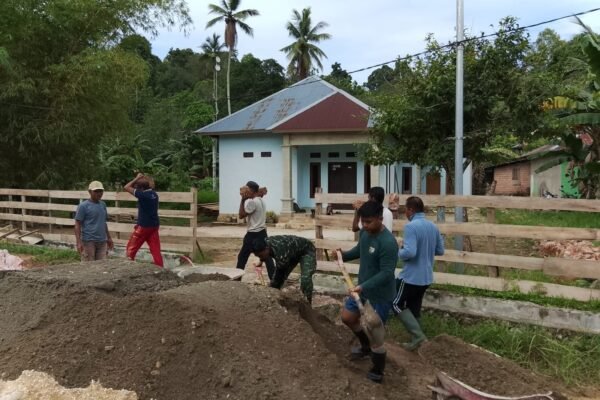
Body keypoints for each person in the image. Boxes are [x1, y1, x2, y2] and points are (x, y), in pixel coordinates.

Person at [337, 201, 398, 383]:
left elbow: (387, 273)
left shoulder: (388, 243)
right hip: (362, 290)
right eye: (363, 221)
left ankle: (378, 370)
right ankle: (365, 347)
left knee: (375, 334)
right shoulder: (365, 232)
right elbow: (360, 250)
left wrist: (363, 286)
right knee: (347, 317)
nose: (364, 225)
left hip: (380, 295)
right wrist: (344, 255)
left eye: (369, 222)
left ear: (380, 218)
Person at [393, 196, 444, 351]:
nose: (405, 214)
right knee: (414, 307)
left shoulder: (411, 227)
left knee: (394, 303)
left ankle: (418, 336)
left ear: (410, 210)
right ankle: (422, 344)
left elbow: (410, 252)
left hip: (411, 277)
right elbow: (440, 250)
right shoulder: (433, 226)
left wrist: (398, 249)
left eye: (406, 210)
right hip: (426, 277)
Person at [251, 235, 316, 303]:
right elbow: (263, 254)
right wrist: (261, 260)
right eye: (258, 256)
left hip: (306, 250)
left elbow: (280, 273)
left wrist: (273, 287)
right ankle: (273, 302)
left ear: (267, 248)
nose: (260, 257)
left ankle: (307, 303)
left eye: (260, 255)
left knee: (305, 278)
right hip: (291, 253)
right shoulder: (264, 243)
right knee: (275, 283)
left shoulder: (280, 252)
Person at [123, 173, 163, 267]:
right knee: (155, 250)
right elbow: (151, 184)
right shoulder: (154, 194)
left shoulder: (142, 195)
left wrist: (136, 178)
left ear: (140, 188)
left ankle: (128, 267)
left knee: (131, 248)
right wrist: (144, 178)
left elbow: (126, 187)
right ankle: (160, 268)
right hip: (154, 226)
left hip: (144, 226)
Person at [74, 181, 113, 261]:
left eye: (101, 191)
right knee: (89, 265)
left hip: (102, 241)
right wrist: (78, 242)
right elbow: (78, 224)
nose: (99, 193)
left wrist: (109, 238)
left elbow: (103, 222)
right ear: (90, 192)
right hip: (88, 241)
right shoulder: (83, 206)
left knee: (102, 264)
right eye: (96, 191)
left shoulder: (103, 205)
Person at [236, 180, 267, 271]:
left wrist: (242, 200)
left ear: (251, 190)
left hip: (253, 234)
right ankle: (275, 278)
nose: (245, 191)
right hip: (262, 233)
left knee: (242, 257)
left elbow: (241, 215)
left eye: (247, 189)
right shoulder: (261, 200)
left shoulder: (252, 202)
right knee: (266, 257)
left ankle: (237, 277)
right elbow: (260, 193)